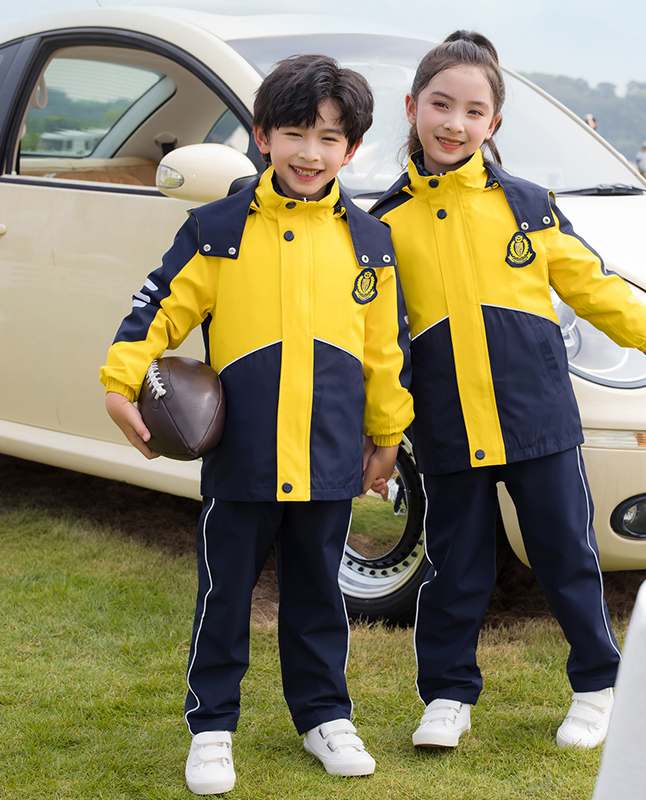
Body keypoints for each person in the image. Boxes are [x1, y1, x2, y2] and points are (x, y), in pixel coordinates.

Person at [370, 31, 646, 753]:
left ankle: (597, 685)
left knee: (566, 556)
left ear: (492, 124)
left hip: (538, 421)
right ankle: (447, 697)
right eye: (440, 104)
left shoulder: (528, 204)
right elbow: (376, 339)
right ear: (412, 107)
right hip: (448, 425)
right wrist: (384, 429)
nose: (454, 123)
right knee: (454, 564)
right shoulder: (384, 224)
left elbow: (590, 281)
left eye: (473, 110)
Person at [100, 55, 413, 795]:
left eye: (331, 139)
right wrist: (120, 386)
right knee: (224, 595)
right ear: (263, 136)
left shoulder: (369, 241)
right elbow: (155, 314)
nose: (311, 153)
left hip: (332, 455)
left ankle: (324, 717)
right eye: (296, 133)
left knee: (318, 596)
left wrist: (388, 433)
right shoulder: (214, 231)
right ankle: (211, 728)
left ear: (353, 149)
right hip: (241, 457)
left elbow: (384, 350)